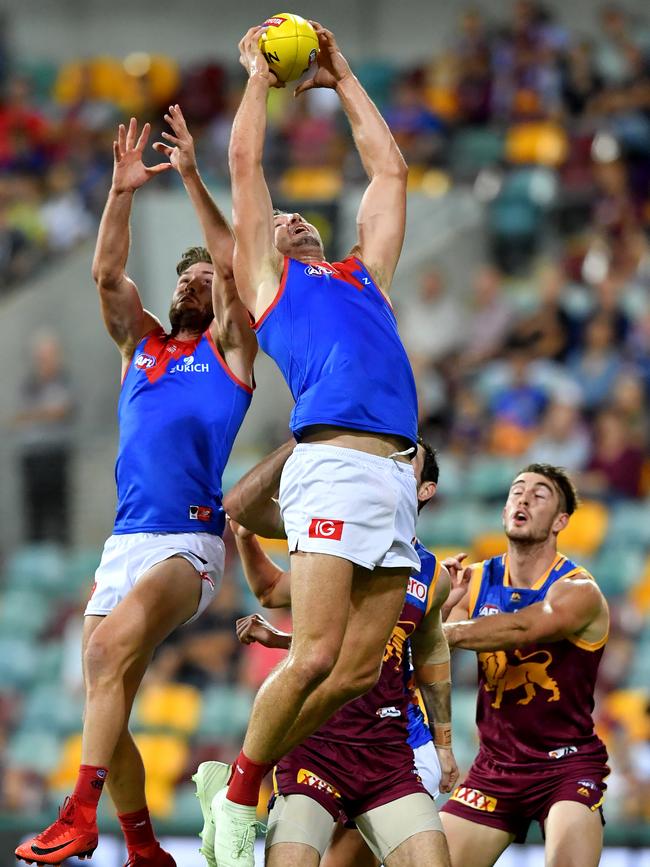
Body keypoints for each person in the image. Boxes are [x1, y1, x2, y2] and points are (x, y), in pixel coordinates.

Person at [16, 106, 257, 867]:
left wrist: (189, 173)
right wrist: (120, 191)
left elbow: (229, 262)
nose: (192, 284)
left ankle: (81, 813)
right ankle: (146, 850)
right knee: (102, 688)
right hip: (125, 538)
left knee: (112, 650)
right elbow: (104, 273)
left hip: (187, 539)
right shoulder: (141, 345)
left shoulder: (229, 350)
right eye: (182, 278)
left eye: (201, 280)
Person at [210, 20, 420, 866]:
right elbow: (244, 170)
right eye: (280, 217)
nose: (290, 217)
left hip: (397, 473)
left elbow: (391, 171)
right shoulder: (270, 284)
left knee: (359, 672)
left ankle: (255, 776)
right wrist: (259, 78)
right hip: (329, 462)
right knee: (317, 652)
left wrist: (341, 76)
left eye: (301, 214)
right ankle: (234, 801)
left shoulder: (365, 275)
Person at [195, 439, 457, 867]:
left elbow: (427, 650)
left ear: (424, 490)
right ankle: (236, 790)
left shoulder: (433, 576)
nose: (388, 461)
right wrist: (245, 536)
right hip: (314, 746)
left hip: (386, 753)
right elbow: (271, 589)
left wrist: (444, 744)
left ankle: (234, 789)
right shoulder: (336, 546)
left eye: (406, 460)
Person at [440, 463, 610, 867]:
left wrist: (441, 630)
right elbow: (430, 656)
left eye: (540, 494)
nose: (524, 497)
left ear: (560, 521)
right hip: (494, 768)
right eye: (517, 489)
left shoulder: (578, 589)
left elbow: (522, 627)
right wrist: (441, 607)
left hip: (565, 765)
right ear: (503, 512)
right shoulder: (474, 579)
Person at [13, 330, 74, 545]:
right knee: (35, 514)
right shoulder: (29, 385)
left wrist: (35, 415)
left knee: (59, 513)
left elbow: (61, 410)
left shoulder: (63, 381)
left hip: (55, 455)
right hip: (33, 456)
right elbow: (18, 415)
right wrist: (43, 413)